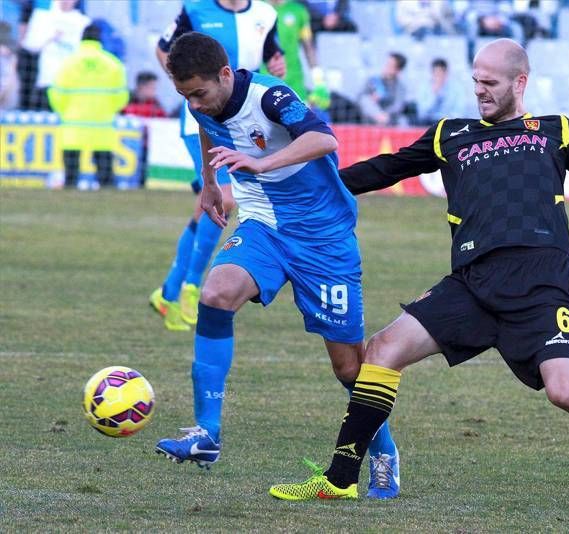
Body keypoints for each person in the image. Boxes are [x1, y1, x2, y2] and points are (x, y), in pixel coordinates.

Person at [268, 38, 569, 509]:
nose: (479, 90)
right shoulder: (450, 134)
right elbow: (383, 169)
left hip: (540, 287)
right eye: (476, 80)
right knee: (382, 350)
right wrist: (297, 188)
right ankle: (340, 478)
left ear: (519, 83)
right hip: (472, 284)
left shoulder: (554, 130)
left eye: (490, 82)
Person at [153, 32, 400, 500]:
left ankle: (384, 452)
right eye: (185, 95)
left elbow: (323, 139)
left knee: (349, 367)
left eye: (200, 93)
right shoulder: (201, 101)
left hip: (324, 238)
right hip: (265, 227)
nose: (194, 104)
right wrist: (209, 182)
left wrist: (261, 164)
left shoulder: (271, 96)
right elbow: (208, 127)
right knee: (216, 293)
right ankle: (207, 434)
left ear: (225, 75)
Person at [149, 0, 286, 332]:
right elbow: (162, 49)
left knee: (208, 207)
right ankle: (190, 288)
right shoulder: (195, 10)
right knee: (224, 196)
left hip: (243, 120)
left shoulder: (266, 15)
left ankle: (168, 291)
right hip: (203, 119)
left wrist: (276, 65)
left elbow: (273, 55)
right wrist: (190, 90)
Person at [47, 23, 128, 189]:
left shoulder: (68, 63)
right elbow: (121, 96)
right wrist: (107, 109)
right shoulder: (113, 64)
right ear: (100, 40)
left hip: (73, 126)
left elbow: (55, 94)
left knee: (70, 178)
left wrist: (66, 111)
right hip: (102, 127)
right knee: (106, 179)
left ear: (81, 39)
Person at [358, 52, 408, 126]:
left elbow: (398, 106)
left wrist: (385, 114)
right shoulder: (373, 80)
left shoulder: (401, 88)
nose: (386, 67)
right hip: (371, 116)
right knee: (365, 99)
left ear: (398, 70)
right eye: (387, 64)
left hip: (388, 119)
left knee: (403, 121)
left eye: (390, 65)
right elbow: (360, 98)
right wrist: (373, 99)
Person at [414, 58, 464, 126]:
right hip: (429, 123)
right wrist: (434, 95)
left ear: (446, 73)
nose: (438, 76)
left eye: (441, 73)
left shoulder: (456, 88)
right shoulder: (424, 87)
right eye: (436, 73)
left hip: (448, 123)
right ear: (432, 73)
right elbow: (422, 113)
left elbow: (459, 111)